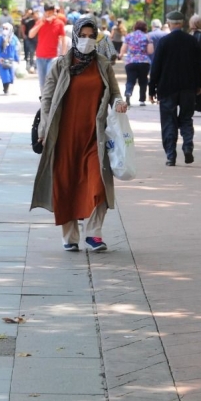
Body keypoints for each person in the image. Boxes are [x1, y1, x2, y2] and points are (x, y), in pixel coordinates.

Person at [31, 16, 128, 252]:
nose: (86, 40)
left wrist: (119, 102)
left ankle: (94, 234)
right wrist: (44, 129)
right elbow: (46, 99)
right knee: (66, 185)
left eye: (90, 36)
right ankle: (70, 236)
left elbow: (115, 93)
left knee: (98, 183)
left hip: (94, 135)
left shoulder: (103, 64)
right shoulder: (61, 64)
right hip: (63, 135)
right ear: (75, 37)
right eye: (82, 36)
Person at [149, 11, 201, 166]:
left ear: (169, 23)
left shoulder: (163, 41)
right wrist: (200, 85)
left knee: (169, 121)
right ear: (182, 23)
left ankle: (170, 155)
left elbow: (156, 67)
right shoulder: (192, 41)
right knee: (186, 118)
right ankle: (188, 146)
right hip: (189, 87)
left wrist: (151, 89)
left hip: (167, 88)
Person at [28, 3, 66, 91]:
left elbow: (63, 40)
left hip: (53, 56)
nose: (48, 14)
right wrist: (41, 23)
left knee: (50, 79)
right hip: (40, 56)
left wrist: (63, 55)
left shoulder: (59, 23)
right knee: (42, 83)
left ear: (53, 12)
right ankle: (44, 101)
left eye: (50, 12)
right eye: (47, 12)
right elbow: (31, 35)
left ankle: (50, 100)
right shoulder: (40, 22)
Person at [120, 20, 153, 106]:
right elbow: (150, 51)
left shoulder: (129, 36)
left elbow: (123, 49)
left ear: (135, 27)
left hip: (130, 61)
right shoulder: (147, 37)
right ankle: (142, 100)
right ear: (145, 28)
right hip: (144, 62)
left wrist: (120, 55)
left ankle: (128, 93)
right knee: (143, 81)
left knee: (130, 80)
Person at [0, 22, 20, 95]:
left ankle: (8, 88)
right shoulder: (0, 38)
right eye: (3, 28)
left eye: (6, 28)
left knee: (11, 75)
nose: (4, 30)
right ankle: (5, 89)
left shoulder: (13, 38)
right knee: (5, 75)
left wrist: (17, 58)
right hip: (3, 59)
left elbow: (15, 49)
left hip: (10, 59)